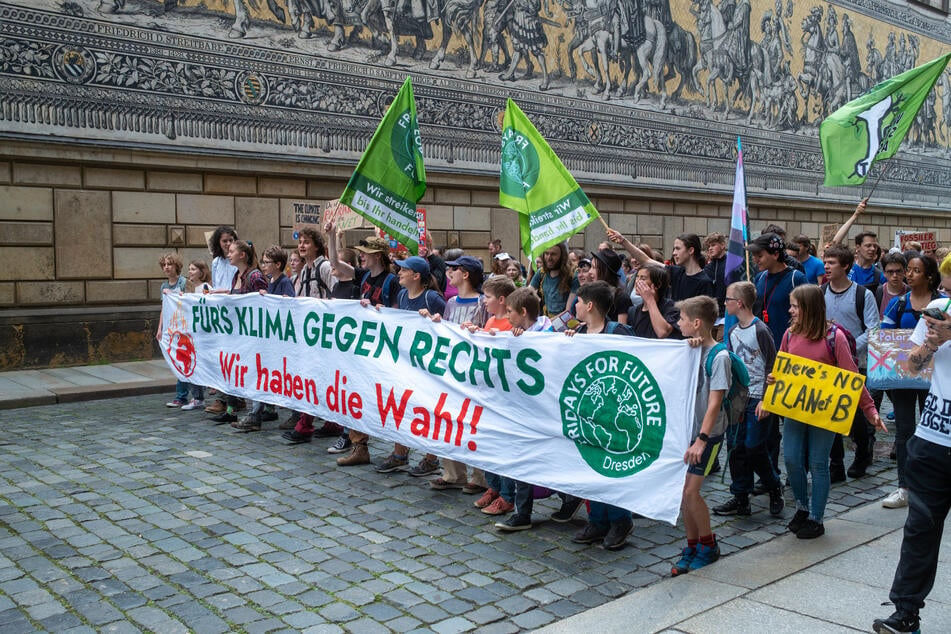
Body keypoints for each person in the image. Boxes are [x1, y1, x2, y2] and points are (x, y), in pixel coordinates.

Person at [760, 285, 884, 539]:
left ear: (808, 308)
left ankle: (816, 517)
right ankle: (802, 508)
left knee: (818, 463)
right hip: (795, 408)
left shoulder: (834, 337)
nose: (790, 310)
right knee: (793, 460)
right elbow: (780, 368)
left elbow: (851, 376)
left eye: (794, 306)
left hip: (824, 413)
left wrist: (870, 410)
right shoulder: (789, 334)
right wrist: (770, 389)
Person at [872, 254, 951, 634]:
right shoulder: (937, 310)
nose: (947, 296)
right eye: (947, 287)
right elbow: (911, 366)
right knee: (920, 530)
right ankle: (905, 613)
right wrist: (930, 347)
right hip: (932, 441)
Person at [494, 286, 581, 531]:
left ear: (523, 312)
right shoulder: (517, 333)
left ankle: (569, 496)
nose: (507, 316)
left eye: (510, 311)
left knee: (548, 458)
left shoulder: (550, 331)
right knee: (523, 459)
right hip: (525, 410)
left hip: (546, 409)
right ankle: (523, 512)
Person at [565, 281, 636, 550]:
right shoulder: (578, 333)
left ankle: (621, 520)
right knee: (590, 465)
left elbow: (644, 358)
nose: (575, 307)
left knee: (611, 467)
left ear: (590, 305)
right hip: (588, 412)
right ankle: (597, 519)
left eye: (579, 302)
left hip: (613, 411)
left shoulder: (619, 331)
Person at [317, 236, 399, 458]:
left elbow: (400, 314)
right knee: (357, 391)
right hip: (362, 346)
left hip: (382, 347)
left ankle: (399, 451)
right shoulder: (363, 276)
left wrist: (383, 310)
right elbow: (334, 262)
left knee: (388, 398)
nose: (361, 255)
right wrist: (331, 236)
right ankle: (358, 446)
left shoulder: (391, 281)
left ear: (378, 256)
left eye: (365, 252)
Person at [713, 282, 783, 518]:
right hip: (739, 398)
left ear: (739, 303)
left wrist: (766, 399)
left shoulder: (761, 330)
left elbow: (772, 365)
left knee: (754, 446)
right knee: (736, 447)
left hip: (758, 398)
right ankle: (741, 495)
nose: (725, 303)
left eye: (728, 299)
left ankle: (773, 485)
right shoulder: (733, 332)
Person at [880, 254, 944, 509]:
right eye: (909, 270)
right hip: (905, 375)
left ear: (929, 276)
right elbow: (885, 337)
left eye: (916, 270)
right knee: (904, 431)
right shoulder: (898, 303)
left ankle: (936, 481)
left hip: (937, 378)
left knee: (936, 429)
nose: (909, 274)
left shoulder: (944, 303)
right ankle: (903, 487)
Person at [671, 296, 729, 575]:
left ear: (696, 323)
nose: (678, 323)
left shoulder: (720, 357)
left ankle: (708, 545)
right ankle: (691, 545)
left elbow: (715, 403)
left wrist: (701, 440)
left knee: (692, 492)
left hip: (707, 435)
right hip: (688, 431)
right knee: (684, 494)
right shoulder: (691, 348)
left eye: (681, 319)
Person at [373, 256, 447, 474]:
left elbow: (448, 326)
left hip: (428, 365)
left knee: (428, 408)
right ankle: (399, 453)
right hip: (406, 363)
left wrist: (433, 318)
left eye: (403, 270)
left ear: (416, 276)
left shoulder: (432, 298)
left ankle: (432, 459)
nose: (399, 273)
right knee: (401, 405)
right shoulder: (403, 293)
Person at [422, 255, 489, 492]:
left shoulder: (483, 302)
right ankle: (452, 472)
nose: (449, 273)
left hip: (475, 372)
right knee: (449, 419)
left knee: (475, 423)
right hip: (453, 371)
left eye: (455, 269)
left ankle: (480, 477)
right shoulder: (450, 303)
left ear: (466, 274)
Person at [747, 232, 808, 479]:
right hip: (766, 356)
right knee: (768, 420)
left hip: (792, 355)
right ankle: (770, 474)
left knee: (794, 417)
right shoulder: (760, 278)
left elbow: (808, 311)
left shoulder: (796, 278)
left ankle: (799, 472)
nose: (755, 260)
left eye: (759, 255)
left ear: (775, 254)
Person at [821, 245, 881, 479]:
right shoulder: (821, 291)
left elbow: (873, 328)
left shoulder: (862, 294)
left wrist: (848, 346)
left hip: (856, 362)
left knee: (855, 415)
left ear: (845, 266)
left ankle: (862, 455)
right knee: (831, 415)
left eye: (832, 262)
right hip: (828, 363)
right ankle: (836, 464)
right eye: (825, 262)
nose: (826, 266)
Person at [465, 276, 517, 517]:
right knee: (488, 444)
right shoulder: (490, 321)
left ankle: (507, 495)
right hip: (488, 395)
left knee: (503, 447)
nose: (484, 301)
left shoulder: (512, 326)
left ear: (502, 299)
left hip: (505, 398)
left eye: (488, 297)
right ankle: (493, 486)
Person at [231, 246, 296, 432]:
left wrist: (274, 299)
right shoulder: (269, 281)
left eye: (267, 262)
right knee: (261, 375)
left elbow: (290, 305)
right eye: (264, 261)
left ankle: (295, 415)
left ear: (278, 264)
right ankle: (256, 414)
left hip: (280, 340)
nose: (264, 265)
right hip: (268, 339)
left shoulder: (285, 282)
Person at [210, 240, 268, 424]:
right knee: (233, 370)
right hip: (237, 335)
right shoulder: (237, 274)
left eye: (232, 251)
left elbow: (266, 301)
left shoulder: (255, 276)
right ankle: (231, 409)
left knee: (255, 373)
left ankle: (255, 415)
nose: (228, 253)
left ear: (242, 255)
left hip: (253, 336)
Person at [609, 230, 715, 303]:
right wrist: (623, 241)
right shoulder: (676, 272)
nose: (673, 253)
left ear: (691, 250)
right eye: (674, 249)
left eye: (678, 249)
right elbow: (646, 260)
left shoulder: (705, 282)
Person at [828, 198, 885, 293]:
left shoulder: (880, 276)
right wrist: (856, 214)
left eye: (875, 246)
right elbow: (835, 243)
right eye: (868, 245)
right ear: (858, 247)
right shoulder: (847, 267)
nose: (872, 249)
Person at [157, 252, 189, 409]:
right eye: (164, 265)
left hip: (185, 327)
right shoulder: (164, 286)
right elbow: (164, 309)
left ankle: (183, 396)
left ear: (177, 266)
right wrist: (160, 328)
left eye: (169, 264)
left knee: (185, 362)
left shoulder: (183, 282)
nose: (166, 267)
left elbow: (188, 301)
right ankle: (183, 395)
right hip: (172, 329)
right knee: (178, 362)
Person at [627, 264, 681, 339]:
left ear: (657, 285)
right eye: (637, 277)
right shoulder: (633, 311)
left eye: (643, 278)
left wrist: (650, 300)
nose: (637, 282)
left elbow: (662, 332)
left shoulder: (671, 307)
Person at [529, 243, 578, 317]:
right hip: (546, 319)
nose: (549, 258)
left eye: (553, 254)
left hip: (566, 322)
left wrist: (548, 323)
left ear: (562, 256)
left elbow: (568, 311)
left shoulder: (573, 275)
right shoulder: (541, 272)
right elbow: (528, 293)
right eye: (546, 253)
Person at [589, 248, 632, 323]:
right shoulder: (591, 294)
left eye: (594, 268)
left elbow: (621, 329)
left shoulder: (621, 298)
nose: (590, 272)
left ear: (605, 271)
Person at [703, 233, 728, 317]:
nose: (710, 248)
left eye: (713, 245)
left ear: (722, 245)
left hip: (726, 313)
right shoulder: (707, 268)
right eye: (709, 246)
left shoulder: (731, 265)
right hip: (710, 314)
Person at [208, 226, 238, 292]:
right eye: (225, 241)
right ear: (218, 243)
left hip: (234, 297)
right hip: (219, 299)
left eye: (231, 240)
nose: (228, 243)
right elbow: (214, 284)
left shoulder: (238, 260)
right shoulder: (216, 262)